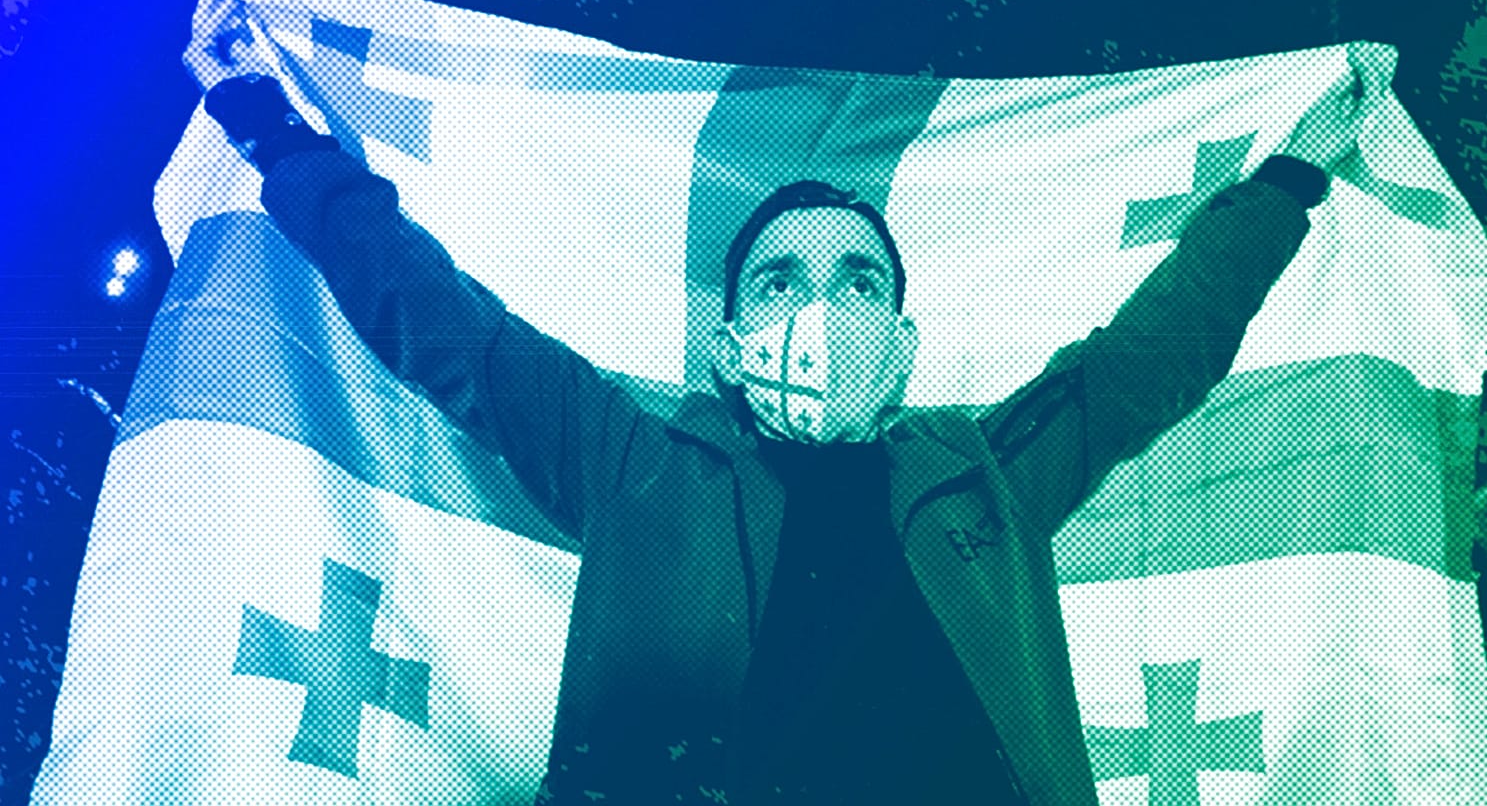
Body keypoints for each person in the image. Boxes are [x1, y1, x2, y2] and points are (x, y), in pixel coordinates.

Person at [201, 60, 1365, 805]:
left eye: (858, 282)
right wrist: (277, 138)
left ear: (901, 345)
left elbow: (1153, 353)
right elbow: (440, 321)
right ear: (726, 345)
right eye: (779, 282)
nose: (820, 307)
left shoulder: (991, 475)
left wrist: (1288, 181)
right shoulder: (632, 462)